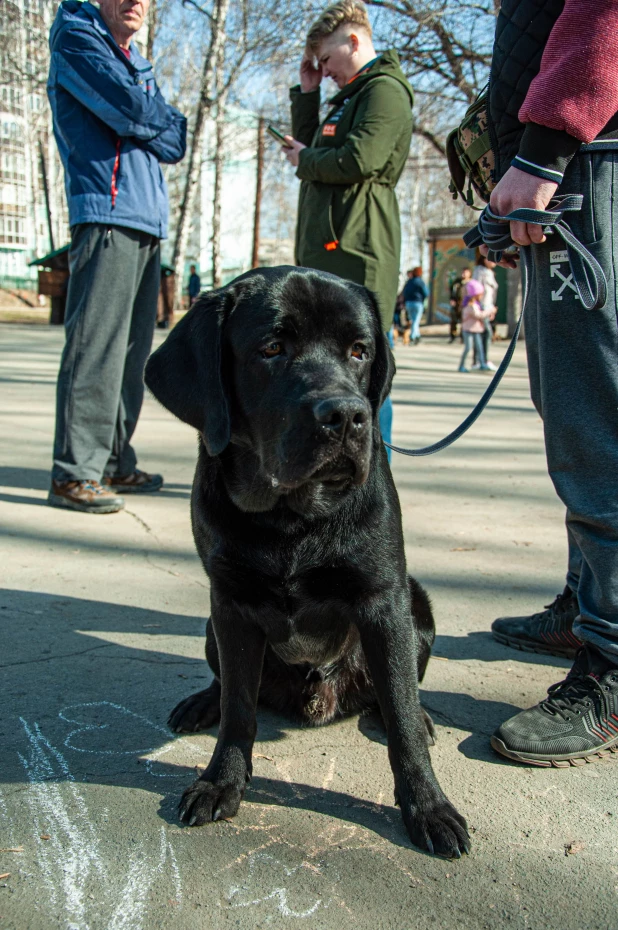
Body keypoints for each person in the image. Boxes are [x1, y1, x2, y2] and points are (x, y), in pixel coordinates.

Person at [482, 0, 618, 765]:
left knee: (597, 427)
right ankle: (587, 603)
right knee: (571, 410)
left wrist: (547, 143)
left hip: (591, 153)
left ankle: (613, 658)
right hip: (577, 157)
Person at [46, 0, 186, 514]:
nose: (137, 3)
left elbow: (176, 138)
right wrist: (147, 115)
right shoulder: (77, 38)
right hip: (106, 214)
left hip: (146, 218)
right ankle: (74, 472)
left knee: (131, 352)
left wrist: (145, 116)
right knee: (96, 348)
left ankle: (110, 461)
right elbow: (136, 112)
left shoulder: (132, 59)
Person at [283, 0, 414, 457]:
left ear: (353, 41)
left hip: (360, 248)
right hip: (328, 250)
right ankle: (328, 463)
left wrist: (306, 160)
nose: (326, 69)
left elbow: (362, 158)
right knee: (324, 369)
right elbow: (312, 151)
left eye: (327, 59)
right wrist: (307, 92)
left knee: (365, 370)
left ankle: (374, 472)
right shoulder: (350, 96)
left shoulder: (385, 91)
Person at [457, 279, 493, 373]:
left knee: (479, 347)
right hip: (468, 330)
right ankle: (461, 365)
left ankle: (482, 363)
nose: (481, 296)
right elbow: (478, 315)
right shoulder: (470, 306)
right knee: (468, 347)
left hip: (476, 329)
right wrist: (490, 311)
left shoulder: (476, 305)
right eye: (480, 294)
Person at [472, 254, 498, 370]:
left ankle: (480, 360)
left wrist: (492, 308)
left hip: (488, 306)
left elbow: (492, 294)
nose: (494, 261)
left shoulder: (490, 272)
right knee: (485, 333)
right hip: (481, 306)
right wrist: (478, 307)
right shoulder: (479, 271)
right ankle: (480, 360)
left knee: (484, 333)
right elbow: (475, 290)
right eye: (491, 258)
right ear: (484, 259)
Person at [402, 267, 428, 345]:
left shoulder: (409, 282)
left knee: (413, 321)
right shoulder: (420, 282)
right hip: (418, 303)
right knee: (415, 321)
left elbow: (405, 292)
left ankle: (417, 336)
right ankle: (413, 337)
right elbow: (426, 292)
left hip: (409, 303)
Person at [449, 266, 471, 342]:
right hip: (457, 303)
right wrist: (452, 299)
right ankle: (453, 336)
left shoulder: (470, 282)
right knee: (453, 320)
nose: (464, 274)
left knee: (464, 321)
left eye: (465, 272)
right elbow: (452, 291)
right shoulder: (457, 282)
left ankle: (463, 337)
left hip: (466, 304)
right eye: (463, 272)